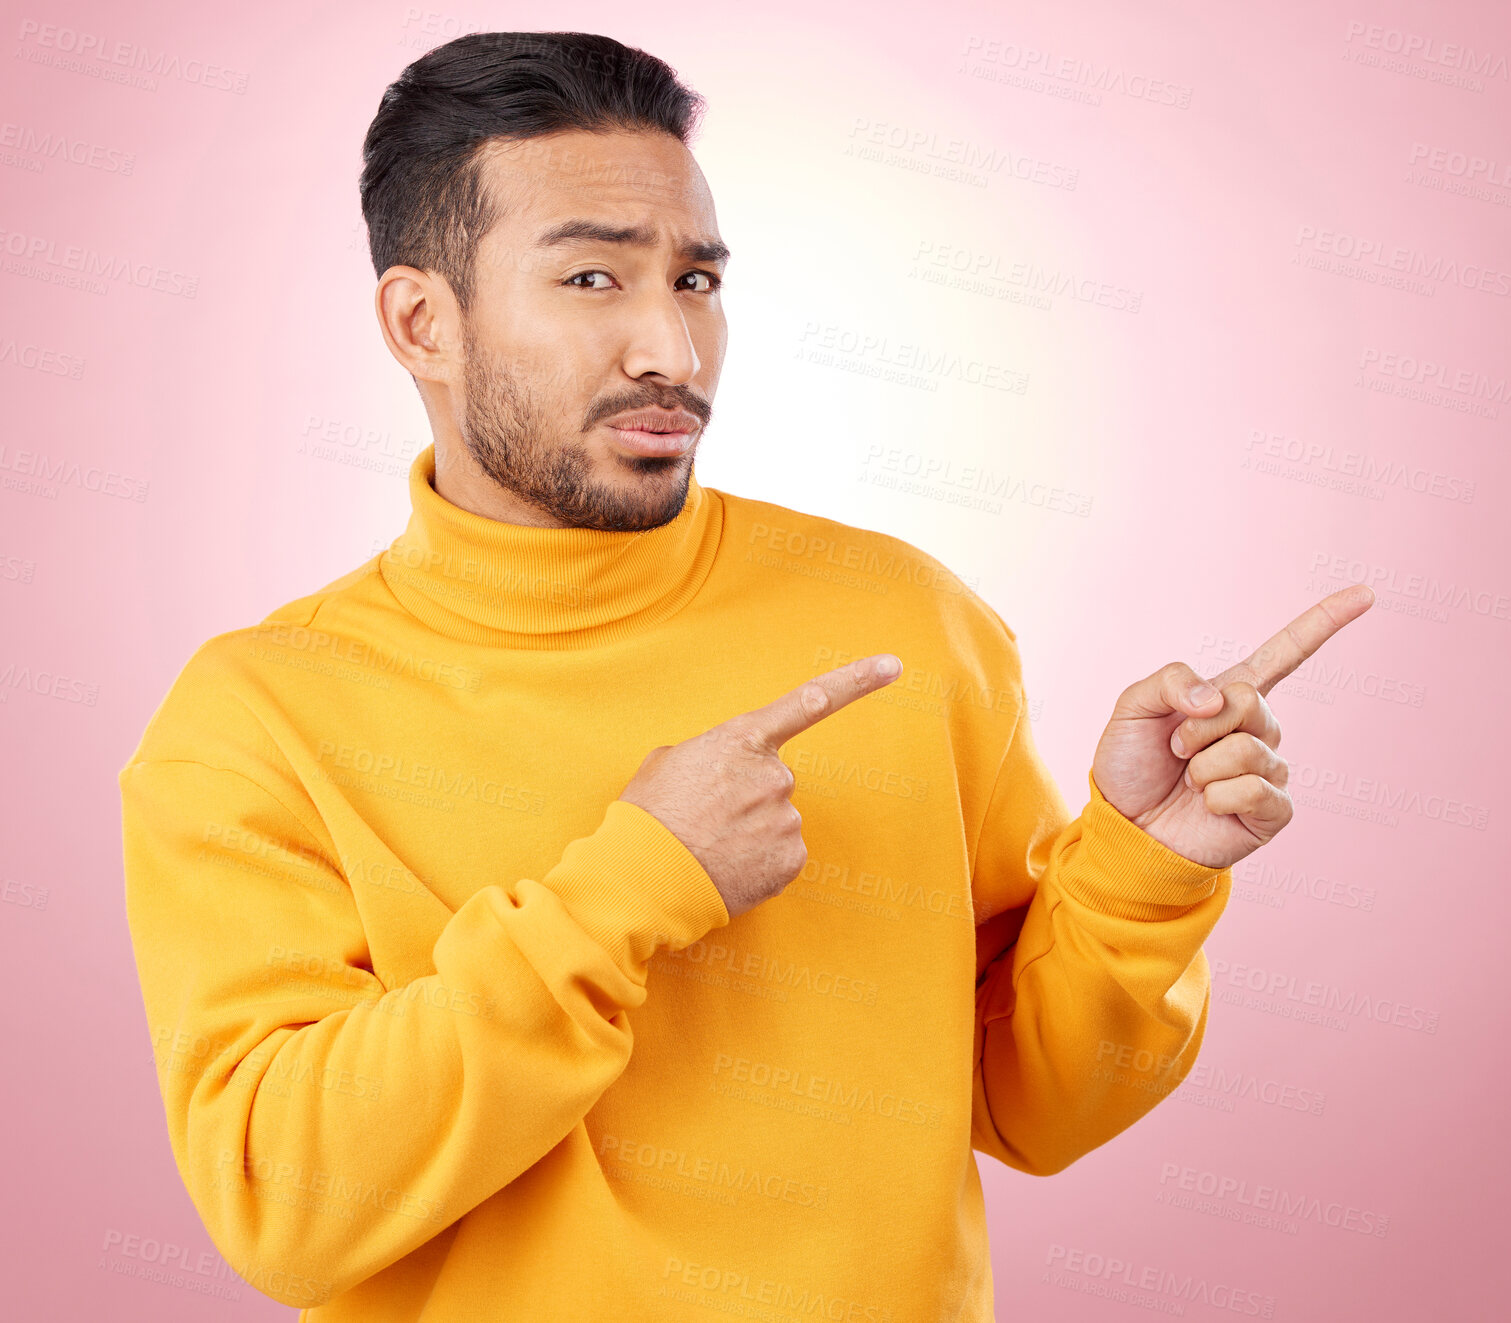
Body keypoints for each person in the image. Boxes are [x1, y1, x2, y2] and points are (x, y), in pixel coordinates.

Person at [119, 29, 1373, 1322]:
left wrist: (1139, 871)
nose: (669, 346)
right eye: (594, 277)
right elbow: (288, 1207)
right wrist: (632, 891)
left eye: (697, 278)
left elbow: (1031, 1105)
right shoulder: (257, 718)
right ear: (422, 320)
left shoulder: (902, 617)